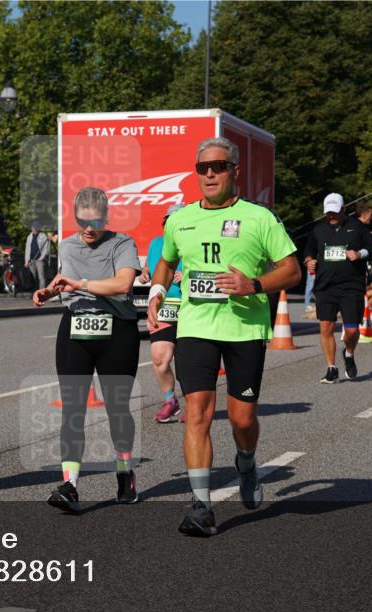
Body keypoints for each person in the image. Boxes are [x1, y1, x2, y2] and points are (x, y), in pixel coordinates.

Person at [147, 137, 300, 537]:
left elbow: (292, 270)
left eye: (218, 166)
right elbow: (166, 263)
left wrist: (253, 284)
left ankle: (246, 462)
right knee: (196, 411)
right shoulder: (180, 219)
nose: (210, 174)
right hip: (196, 326)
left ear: (235, 171)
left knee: (242, 418)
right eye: (203, 168)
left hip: (244, 329)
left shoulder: (259, 218)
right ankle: (200, 505)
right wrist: (157, 292)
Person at [33, 186, 142, 513]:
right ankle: (71, 485)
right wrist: (49, 292)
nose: (89, 228)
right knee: (73, 408)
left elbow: (122, 284)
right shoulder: (67, 245)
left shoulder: (122, 243)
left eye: (95, 221)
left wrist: (79, 285)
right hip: (76, 328)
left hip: (117, 330)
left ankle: (124, 470)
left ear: (106, 217)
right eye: (83, 220)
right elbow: (65, 278)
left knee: (117, 409)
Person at [304, 193, 372, 382]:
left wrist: (359, 254)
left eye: (335, 212)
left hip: (351, 286)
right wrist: (309, 261)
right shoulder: (319, 229)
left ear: (344, 209)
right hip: (325, 286)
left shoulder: (356, 227)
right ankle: (331, 368)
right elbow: (309, 250)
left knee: (352, 330)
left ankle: (349, 353)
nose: (332, 216)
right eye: (328, 213)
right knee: (326, 327)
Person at [138, 203, 186, 423]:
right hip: (163, 305)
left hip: (191, 306)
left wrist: (188, 275)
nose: (173, 225)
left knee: (190, 362)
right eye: (169, 221)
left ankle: (194, 405)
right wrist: (146, 272)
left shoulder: (193, 243)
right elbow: (151, 264)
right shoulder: (156, 243)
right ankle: (170, 401)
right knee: (160, 358)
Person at [351, 201, 372, 343]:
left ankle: (352, 331)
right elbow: (371, 249)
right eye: (370, 214)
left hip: (353, 271)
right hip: (356, 272)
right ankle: (357, 332)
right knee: (357, 301)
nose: (371, 217)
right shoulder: (360, 229)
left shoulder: (350, 226)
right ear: (364, 214)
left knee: (356, 300)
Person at [25, 222, 50, 290]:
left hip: (40, 260)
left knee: (41, 277)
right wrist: (26, 261)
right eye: (33, 228)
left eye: (35, 228)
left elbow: (46, 248)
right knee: (33, 277)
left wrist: (42, 257)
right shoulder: (29, 237)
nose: (34, 230)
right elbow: (27, 249)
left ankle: (41, 292)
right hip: (31, 260)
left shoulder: (43, 236)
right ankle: (34, 292)